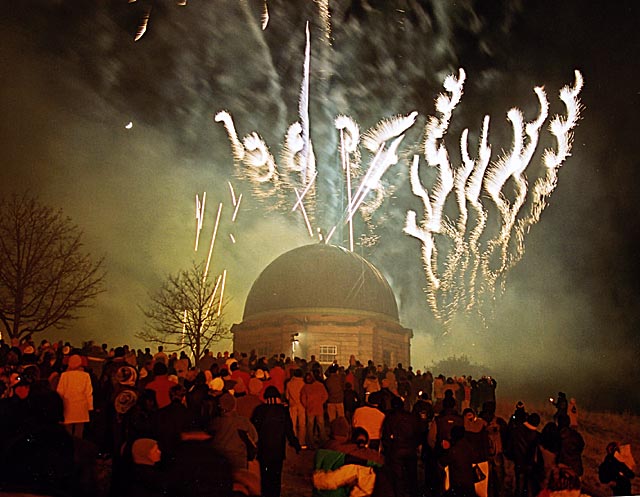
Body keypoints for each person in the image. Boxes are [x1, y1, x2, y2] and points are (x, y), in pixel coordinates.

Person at [251, 385, 302, 497]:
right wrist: (296, 444)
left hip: (263, 450)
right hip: (278, 450)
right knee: (276, 477)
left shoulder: (259, 410)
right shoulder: (283, 411)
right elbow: (289, 430)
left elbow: (253, 429)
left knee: (265, 477)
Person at [381, 395, 421, 497]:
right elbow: (417, 432)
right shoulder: (411, 417)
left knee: (398, 478)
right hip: (410, 449)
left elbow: (385, 435)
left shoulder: (389, 418)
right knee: (412, 476)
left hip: (396, 450)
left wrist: (388, 448)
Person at [210, 392, 259, 471]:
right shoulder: (243, 422)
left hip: (219, 461)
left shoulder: (215, 423)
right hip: (239, 461)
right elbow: (254, 439)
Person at [56, 353, 94, 439]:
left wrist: (59, 407)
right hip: (81, 407)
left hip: (67, 407)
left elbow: (60, 392)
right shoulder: (85, 376)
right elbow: (88, 392)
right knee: (79, 432)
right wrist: (90, 407)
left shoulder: (64, 375)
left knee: (67, 432)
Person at [301, 371, 329, 448]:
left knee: (310, 427)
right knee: (321, 426)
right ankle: (323, 442)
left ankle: (310, 443)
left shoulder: (305, 387)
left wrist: (307, 405)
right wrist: (320, 402)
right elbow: (325, 396)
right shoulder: (320, 385)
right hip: (319, 408)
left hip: (310, 409)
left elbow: (303, 399)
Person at [286, 368, 307, 447]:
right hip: (302, 404)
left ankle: (293, 440)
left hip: (292, 405)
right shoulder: (304, 383)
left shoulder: (289, 383)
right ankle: (301, 441)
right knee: (302, 424)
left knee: (293, 424)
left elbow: (287, 396)